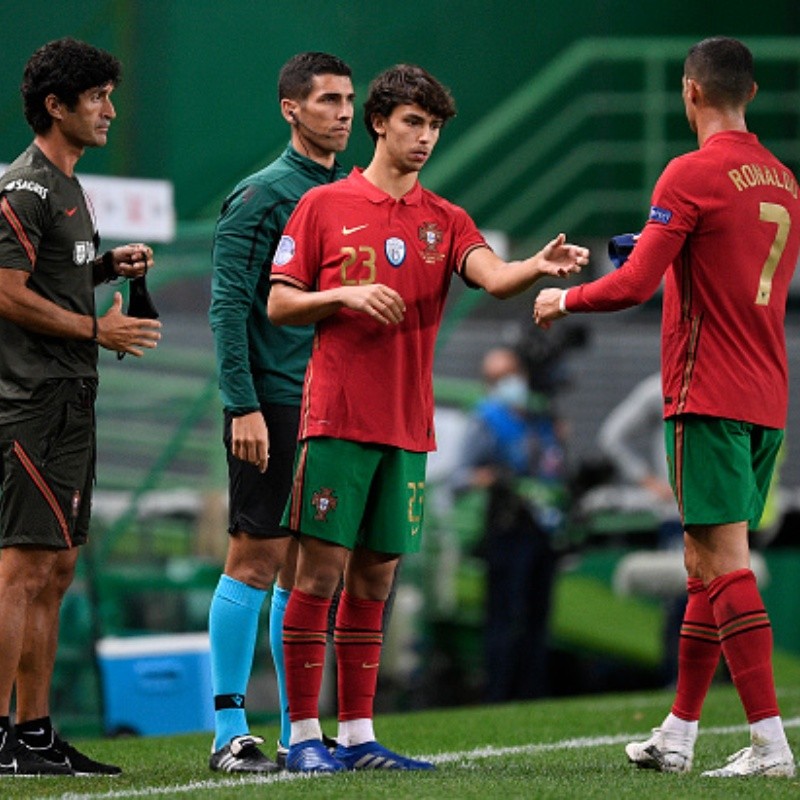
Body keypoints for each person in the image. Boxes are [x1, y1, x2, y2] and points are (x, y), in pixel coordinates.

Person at [267, 63, 589, 773]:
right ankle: (299, 737)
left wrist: (534, 265)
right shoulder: (323, 206)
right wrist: (345, 297)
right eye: (414, 122)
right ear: (380, 122)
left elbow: (494, 276)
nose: (426, 138)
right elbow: (279, 302)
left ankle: (356, 737)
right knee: (318, 576)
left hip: (406, 429)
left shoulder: (445, 220)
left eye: (436, 127)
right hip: (338, 420)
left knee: (376, 580)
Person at [535, 37, 799, 778]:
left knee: (722, 563)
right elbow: (723, 267)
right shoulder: (783, 180)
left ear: (690, 92)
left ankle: (770, 744)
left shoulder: (690, 172)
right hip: (766, 395)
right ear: (748, 93)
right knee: (701, 564)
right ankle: (678, 733)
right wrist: (662, 243)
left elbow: (632, 287)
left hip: (705, 390)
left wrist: (564, 298)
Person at [0, 37, 162, 777]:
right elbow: (4, 293)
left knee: (57, 568)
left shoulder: (69, 187)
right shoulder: (25, 186)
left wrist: (102, 269)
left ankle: (33, 734)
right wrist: (100, 327)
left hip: (69, 400)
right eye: (95, 96)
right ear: (56, 106)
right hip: (29, 404)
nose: (109, 109)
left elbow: (46, 279)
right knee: (21, 571)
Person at [207, 51, 354, 773]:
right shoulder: (262, 194)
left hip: (330, 406)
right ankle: (227, 732)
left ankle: (301, 727)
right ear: (291, 109)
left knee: (308, 566)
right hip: (272, 401)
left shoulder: (350, 195)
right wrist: (243, 405)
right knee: (256, 555)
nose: (345, 113)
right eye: (328, 100)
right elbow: (228, 305)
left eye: (349, 100)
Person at [451, 346, 567, 702]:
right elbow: (459, 477)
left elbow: (555, 468)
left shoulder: (540, 417)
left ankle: (534, 691)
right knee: (503, 615)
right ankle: (497, 693)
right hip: (507, 526)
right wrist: (489, 477)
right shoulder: (486, 419)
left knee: (538, 614)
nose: (509, 383)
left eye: (511, 373)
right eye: (498, 378)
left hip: (543, 528)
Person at [597, 371, 685, 684]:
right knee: (683, 601)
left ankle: (720, 681)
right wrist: (646, 478)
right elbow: (612, 436)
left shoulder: (723, 376)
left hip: (717, 510)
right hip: (678, 513)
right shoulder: (659, 387)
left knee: (720, 599)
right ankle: (677, 680)